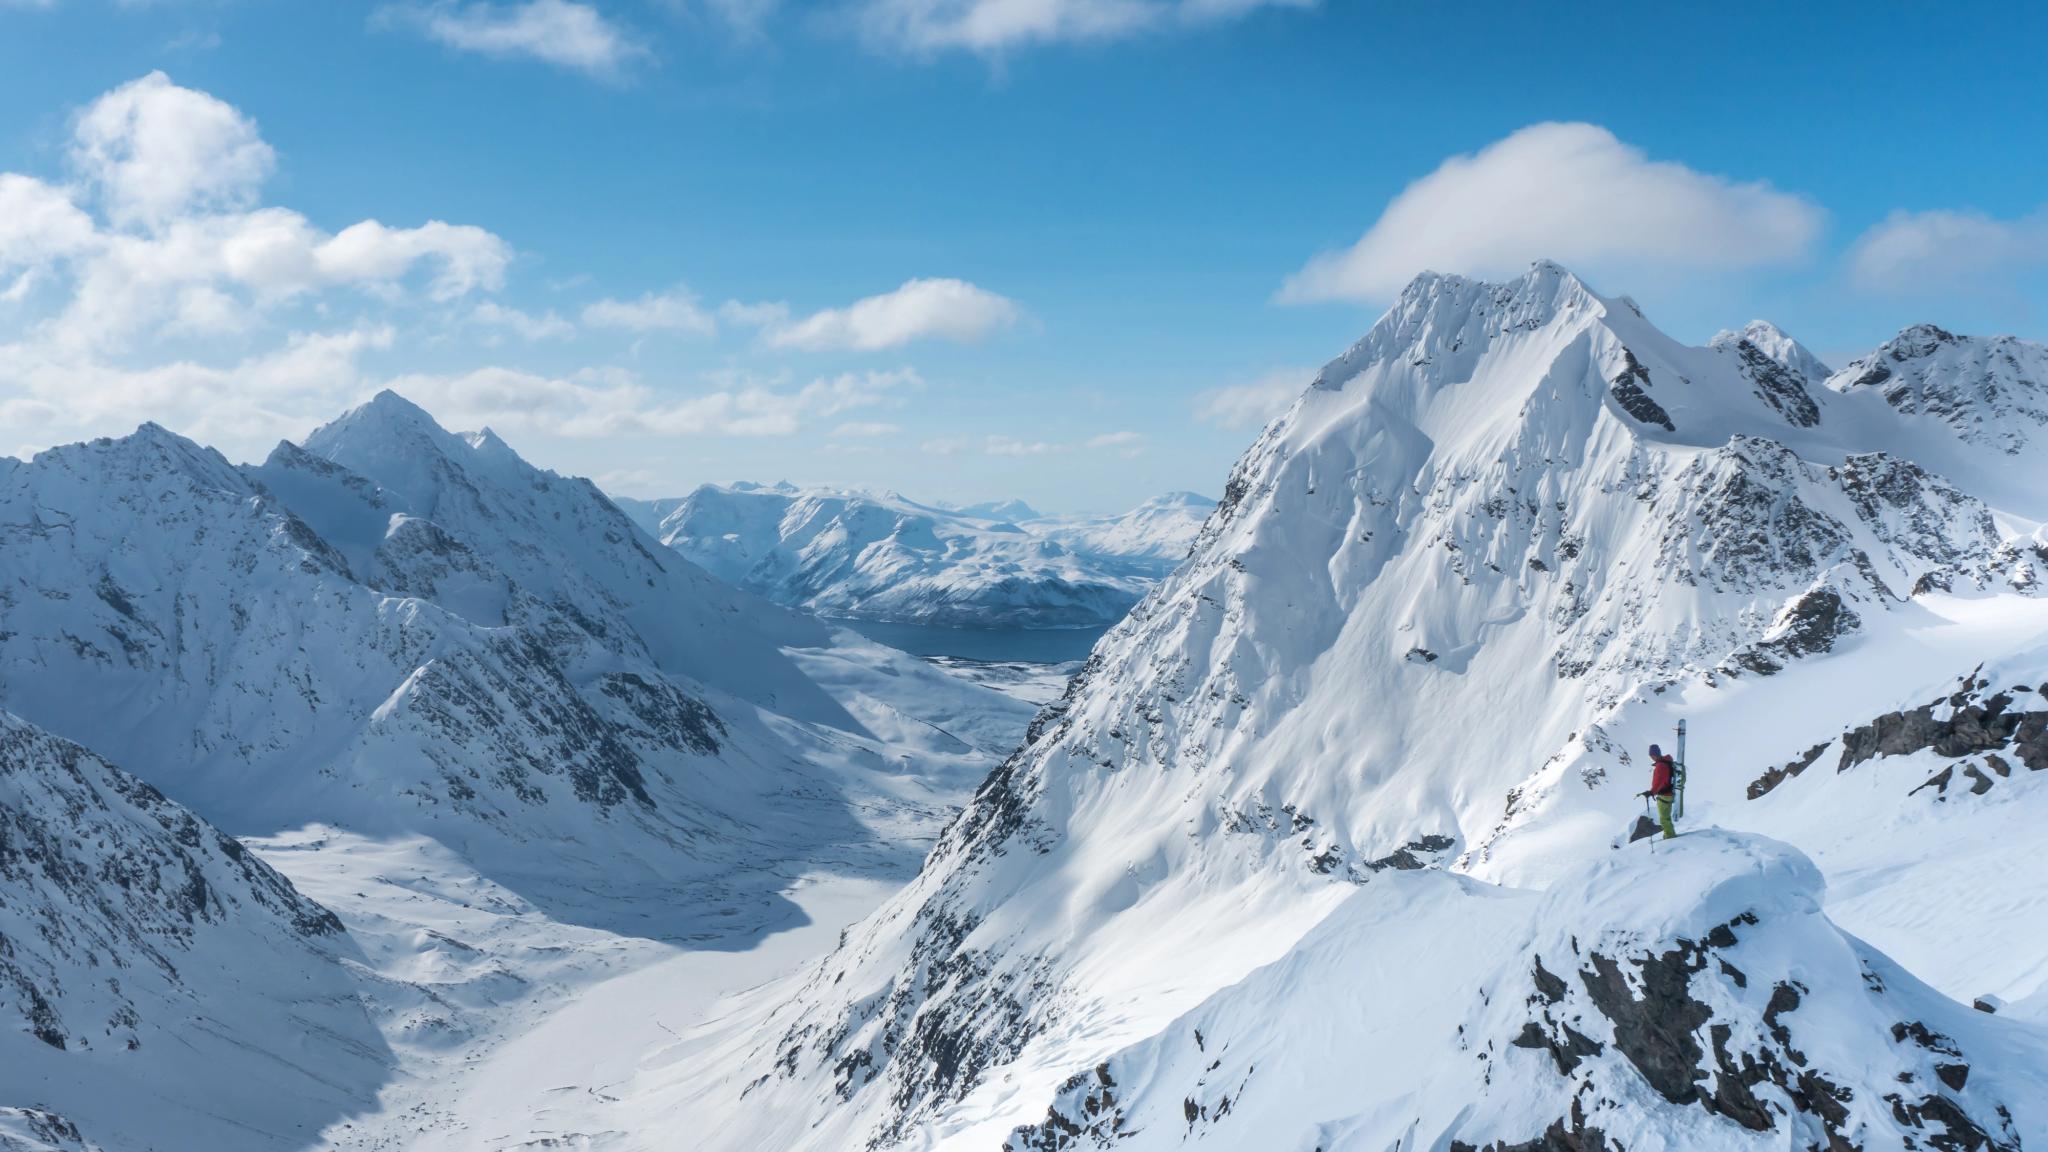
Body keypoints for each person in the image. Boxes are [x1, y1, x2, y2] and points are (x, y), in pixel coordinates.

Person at [1642, 744, 1678, 839]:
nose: (1651, 757)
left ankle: (1670, 836)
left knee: (1663, 819)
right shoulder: (1665, 762)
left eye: (1651, 755)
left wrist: (1651, 792)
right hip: (1667, 793)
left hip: (1665, 794)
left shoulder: (1661, 766)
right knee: (1666, 817)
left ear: (1655, 754)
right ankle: (1669, 834)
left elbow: (1659, 782)